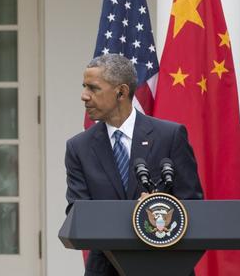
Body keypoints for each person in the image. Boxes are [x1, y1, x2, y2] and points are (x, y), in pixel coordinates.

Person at [65, 54, 203, 276]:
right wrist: (139, 212)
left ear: (121, 92)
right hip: (106, 268)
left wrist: (160, 206)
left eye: (93, 88)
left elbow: (194, 204)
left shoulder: (170, 136)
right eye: (84, 87)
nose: (84, 96)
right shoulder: (78, 147)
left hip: (167, 265)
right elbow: (78, 212)